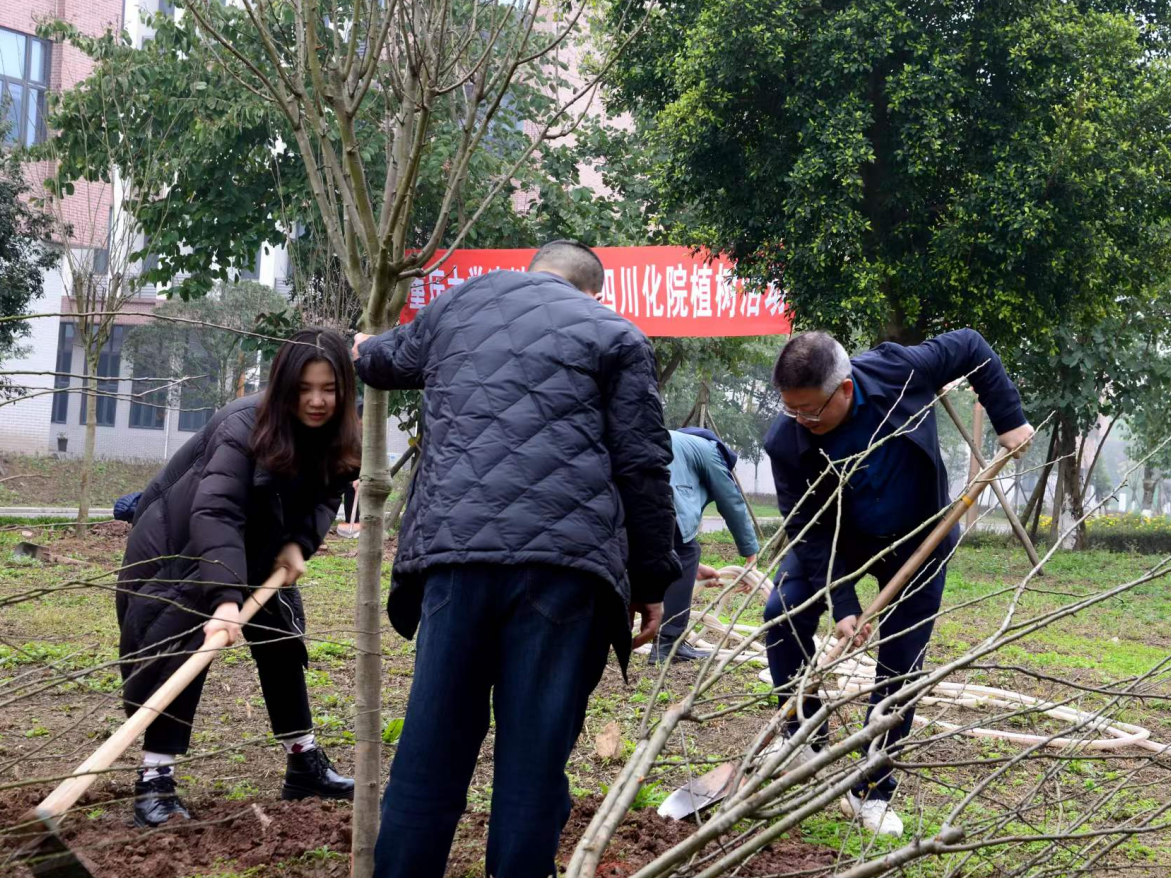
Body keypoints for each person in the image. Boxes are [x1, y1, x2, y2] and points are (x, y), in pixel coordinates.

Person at [352, 240, 680, 878]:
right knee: (533, 762)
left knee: (430, 751)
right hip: (566, 570)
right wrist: (651, 580)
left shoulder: (462, 303)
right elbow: (643, 466)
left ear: (534, 272)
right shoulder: (617, 333)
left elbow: (386, 361)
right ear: (595, 292)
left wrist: (361, 349)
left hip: (455, 558)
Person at [762, 329, 1033, 837]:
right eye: (790, 409)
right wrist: (843, 600)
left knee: (902, 664)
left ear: (844, 389)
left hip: (917, 540)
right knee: (783, 611)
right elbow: (806, 530)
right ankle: (802, 735)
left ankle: (872, 789)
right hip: (838, 543)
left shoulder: (898, 370)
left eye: (810, 411)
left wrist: (1009, 418)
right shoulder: (786, 440)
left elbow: (972, 346)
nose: (800, 420)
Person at [116, 327, 361, 828]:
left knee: (281, 640)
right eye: (304, 389)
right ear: (283, 385)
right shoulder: (244, 425)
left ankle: (304, 763)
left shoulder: (339, 430)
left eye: (329, 389)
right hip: (179, 550)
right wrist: (225, 599)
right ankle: (154, 779)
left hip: (258, 549)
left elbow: (326, 492)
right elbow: (216, 511)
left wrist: (299, 543)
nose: (317, 401)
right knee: (177, 649)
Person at [650, 427, 759, 663]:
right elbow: (731, 501)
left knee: (659, 555)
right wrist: (750, 552)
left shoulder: (674, 441)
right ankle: (668, 643)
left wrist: (695, 569)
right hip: (657, 497)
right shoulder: (710, 450)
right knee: (686, 551)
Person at [338, 403, 363, 538]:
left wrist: (360, 476)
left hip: (356, 471)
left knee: (351, 493)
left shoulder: (370, 435)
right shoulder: (347, 431)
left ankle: (352, 524)